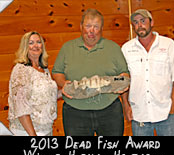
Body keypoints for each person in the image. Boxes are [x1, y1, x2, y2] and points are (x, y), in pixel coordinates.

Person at [52, 8, 129, 136]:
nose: (91, 31)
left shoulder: (113, 48)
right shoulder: (67, 48)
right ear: (81, 26)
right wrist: (63, 83)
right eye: (88, 26)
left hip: (110, 111)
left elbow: (124, 73)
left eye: (96, 26)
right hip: (74, 112)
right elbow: (57, 72)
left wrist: (122, 82)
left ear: (102, 28)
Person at [121, 9, 174, 136]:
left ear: (152, 23)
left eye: (143, 21)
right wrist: (126, 107)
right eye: (136, 22)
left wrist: (171, 109)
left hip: (166, 115)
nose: (140, 25)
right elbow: (124, 83)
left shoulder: (168, 45)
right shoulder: (126, 49)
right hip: (139, 116)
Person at [8, 31, 59, 136]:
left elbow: (46, 97)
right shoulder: (21, 70)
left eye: (38, 42)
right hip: (26, 131)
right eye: (31, 43)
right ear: (25, 47)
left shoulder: (44, 70)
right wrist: (33, 135)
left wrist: (65, 91)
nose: (35, 46)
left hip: (46, 130)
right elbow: (21, 107)